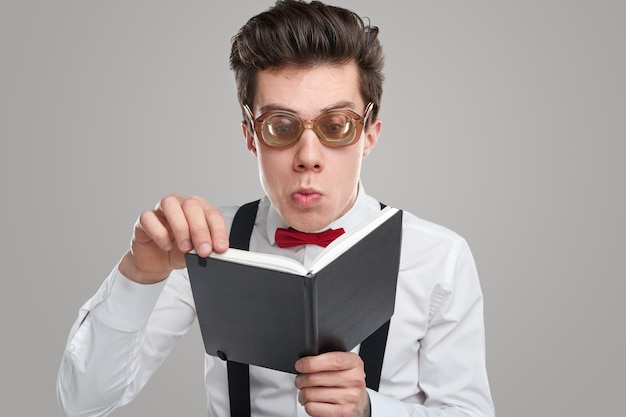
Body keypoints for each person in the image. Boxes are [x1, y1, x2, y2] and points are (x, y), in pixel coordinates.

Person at [57, 1, 494, 416]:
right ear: (251, 135)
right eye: (281, 126)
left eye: (336, 125)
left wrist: (370, 410)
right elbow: (82, 403)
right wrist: (140, 273)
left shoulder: (439, 257)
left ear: (369, 135)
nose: (308, 156)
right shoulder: (203, 243)